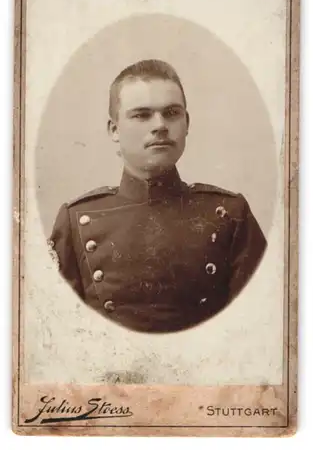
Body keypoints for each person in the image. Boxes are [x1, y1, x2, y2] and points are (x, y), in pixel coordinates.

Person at [48, 59, 267, 333]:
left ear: (187, 123)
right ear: (114, 130)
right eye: (141, 115)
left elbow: (258, 328)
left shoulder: (229, 214)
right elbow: (57, 333)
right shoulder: (76, 220)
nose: (160, 125)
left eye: (172, 113)